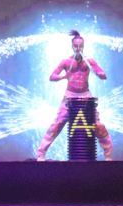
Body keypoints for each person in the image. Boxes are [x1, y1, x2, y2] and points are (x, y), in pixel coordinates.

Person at [36, 30, 113, 161]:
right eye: (76, 46)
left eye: (80, 46)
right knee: (57, 124)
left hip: (86, 96)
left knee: (98, 125)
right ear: (72, 46)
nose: (78, 48)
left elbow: (103, 75)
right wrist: (63, 77)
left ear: (83, 46)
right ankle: (41, 153)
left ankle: (108, 156)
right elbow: (52, 76)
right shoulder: (66, 61)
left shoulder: (89, 61)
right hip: (69, 96)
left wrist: (97, 73)